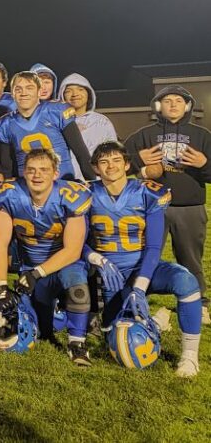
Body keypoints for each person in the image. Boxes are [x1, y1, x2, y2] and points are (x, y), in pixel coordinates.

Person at [84, 141, 202, 377]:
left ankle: (190, 356)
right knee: (117, 337)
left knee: (187, 283)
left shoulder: (147, 192)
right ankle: (157, 322)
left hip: (146, 268)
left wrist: (140, 285)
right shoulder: (86, 193)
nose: (110, 166)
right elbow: (77, 242)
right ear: (96, 168)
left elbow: (155, 246)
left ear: (127, 165)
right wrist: (97, 259)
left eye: (117, 160)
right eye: (104, 162)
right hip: (112, 276)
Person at [0, 148, 93, 365]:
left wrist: (36, 273)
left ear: (55, 173)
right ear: (24, 172)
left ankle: (77, 343)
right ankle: (62, 315)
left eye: (44, 170)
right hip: (28, 268)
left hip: (63, 265)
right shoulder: (9, 195)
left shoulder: (70, 197)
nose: (37, 175)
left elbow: (73, 251)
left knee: (76, 284)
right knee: (41, 329)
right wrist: (1, 287)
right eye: (31, 170)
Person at [125, 85, 211, 324]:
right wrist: (137, 161)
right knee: (145, 256)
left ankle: (200, 302)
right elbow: (118, 164)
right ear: (158, 106)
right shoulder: (144, 134)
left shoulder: (202, 136)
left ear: (187, 106)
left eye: (178, 101)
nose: (173, 104)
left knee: (191, 257)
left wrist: (204, 164)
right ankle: (137, 298)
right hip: (153, 207)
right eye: (167, 100)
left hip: (189, 208)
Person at [0, 71, 96, 181]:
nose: (23, 93)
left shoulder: (56, 111)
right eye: (18, 89)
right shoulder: (5, 124)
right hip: (28, 186)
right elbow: (7, 166)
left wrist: (92, 181)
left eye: (29, 88)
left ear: (39, 92)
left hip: (62, 183)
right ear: (12, 94)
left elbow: (81, 152)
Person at [57, 74, 118, 176]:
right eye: (68, 91)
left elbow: (112, 154)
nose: (75, 94)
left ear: (89, 93)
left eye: (80, 89)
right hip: (64, 182)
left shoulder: (102, 122)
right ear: (62, 96)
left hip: (95, 183)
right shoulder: (55, 122)